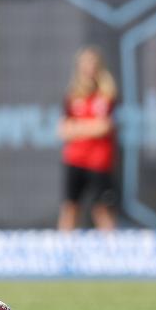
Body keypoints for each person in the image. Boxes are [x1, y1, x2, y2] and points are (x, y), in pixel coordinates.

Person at [57, 46, 117, 231]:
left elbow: (104, 127)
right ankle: (62, 254)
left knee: (101, 209)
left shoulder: (106, 95)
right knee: (70, 207)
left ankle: (114, 255)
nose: (89, 67)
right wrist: (90, 126)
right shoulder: (73, 96)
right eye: (85, 63)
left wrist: (78, 127)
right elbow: (62, 130)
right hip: (75, 159)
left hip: (98, 162)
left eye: (93, 63)